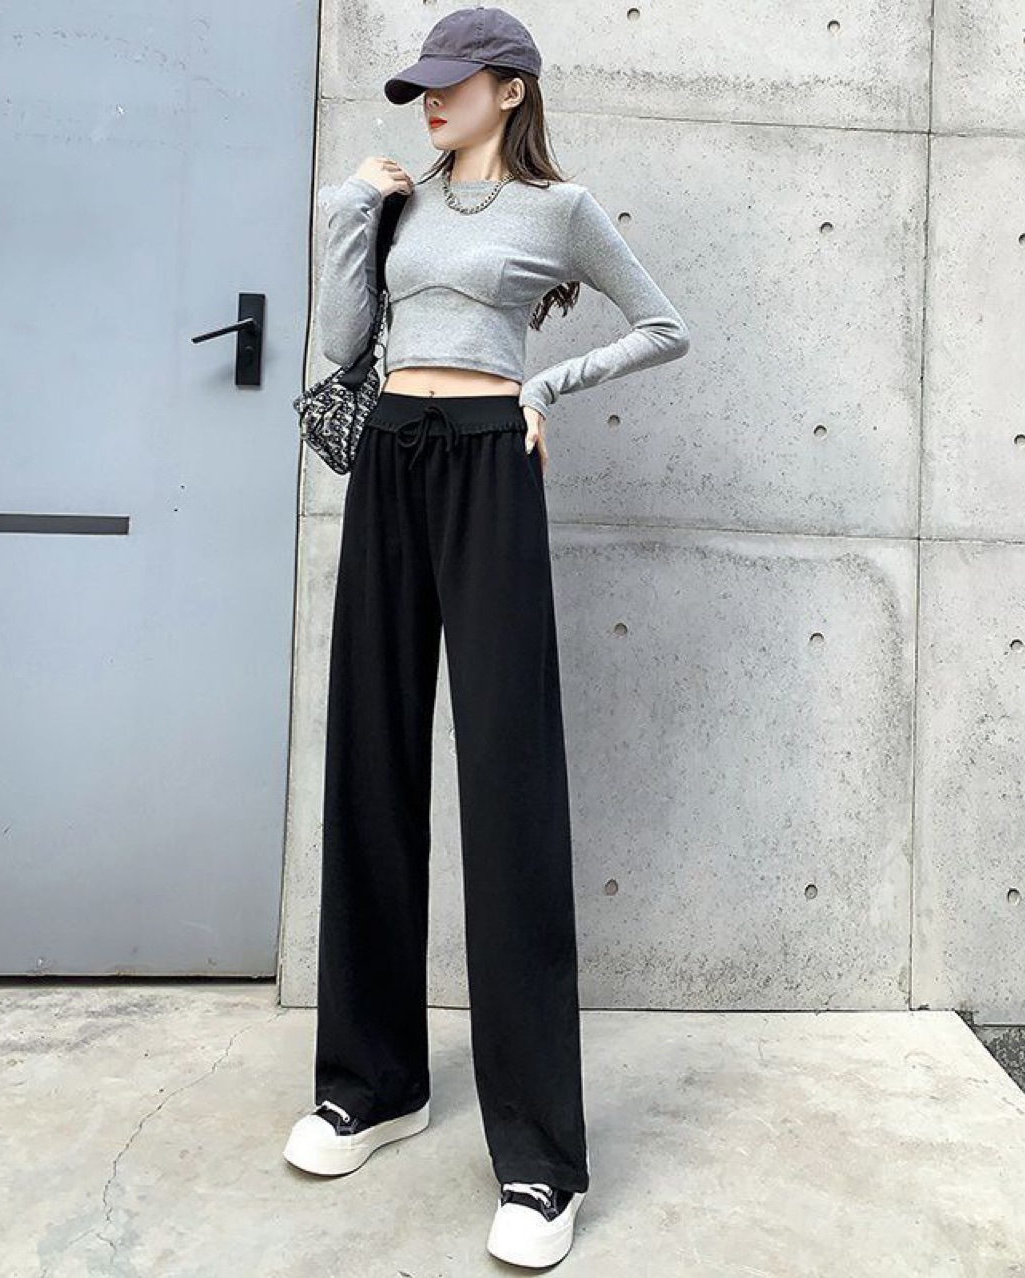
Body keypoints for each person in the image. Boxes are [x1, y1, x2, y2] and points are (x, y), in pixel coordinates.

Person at [282, 5, 690, 1268]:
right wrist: (350, 208)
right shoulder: (399, 204)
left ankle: (540, 1161)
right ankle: (372, 1085)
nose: (431, 101)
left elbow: (663, 324)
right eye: (422, 85)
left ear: (510, 89)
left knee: (508, 779)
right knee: (370, 755)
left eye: (453, 83)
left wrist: (544, 385)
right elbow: (343, 344)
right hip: (390, 456)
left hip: (486, 462)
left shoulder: (561, 212)